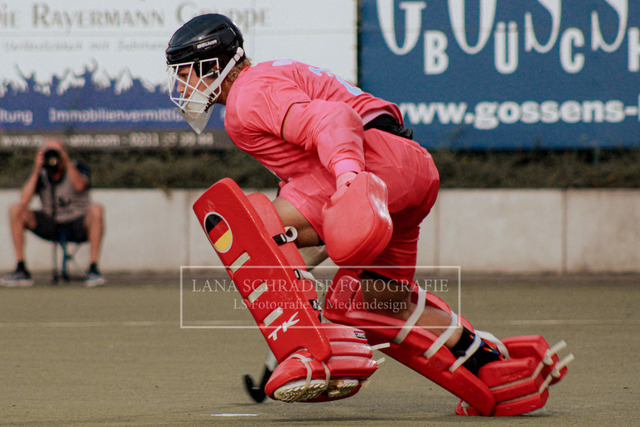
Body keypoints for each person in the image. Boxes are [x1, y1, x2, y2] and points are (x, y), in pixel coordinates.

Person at [165, 14, 571, 415]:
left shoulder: (247, 95)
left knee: (248, 227)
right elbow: (307, 191)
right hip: (408, 170)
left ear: (212, 67)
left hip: (372, 165)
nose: (181, 86)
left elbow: (334, 119)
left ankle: (312, 352)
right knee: (377, 303)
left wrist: (349, 183)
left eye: (185, 74)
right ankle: (490, 361)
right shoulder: (268, 78)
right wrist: (296, 257)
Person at [1, 138, 106, 287]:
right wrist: (37, 168)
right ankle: (21, 269)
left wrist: (66, 161)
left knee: (96, 209)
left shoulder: (78, 167)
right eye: (48, 151)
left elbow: (79, 186)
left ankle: (93, 269)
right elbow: (24, 200)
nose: (53, 156)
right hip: (51, 222)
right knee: (16, 210)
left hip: (78, 222)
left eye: (56, 151)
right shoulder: (41, 172)